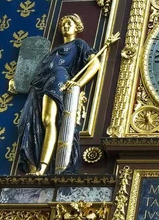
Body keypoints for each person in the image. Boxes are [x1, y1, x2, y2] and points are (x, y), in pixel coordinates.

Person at [18, 14, 99, 175]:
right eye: (63, 23)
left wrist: (78, 83)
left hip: (57, 81)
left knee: (48, 120)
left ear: (77, 27)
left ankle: (42, 167)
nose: (65, 26)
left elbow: (95, 63)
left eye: (69, 23)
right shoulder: (53, 51)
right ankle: (35, 165)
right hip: (40, 84)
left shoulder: (79, 44)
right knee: (30, 122)